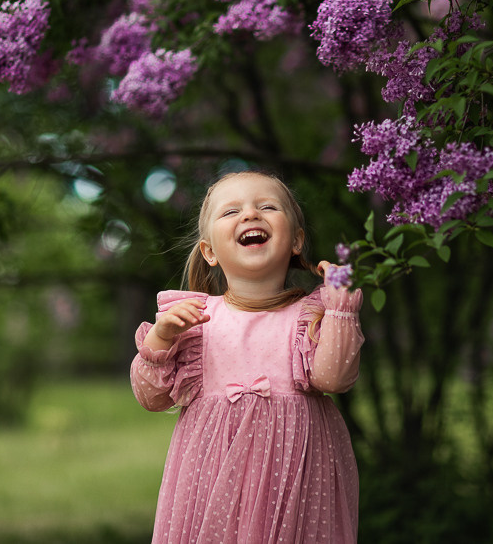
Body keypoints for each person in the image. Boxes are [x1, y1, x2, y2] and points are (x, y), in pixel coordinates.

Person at [130, 170, 365, 543]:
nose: (250, 215)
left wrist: (341, 306)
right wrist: (161, 337)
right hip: (211, 485)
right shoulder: (195, 319)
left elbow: (334, 378)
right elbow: (151, 397)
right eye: (231, 211)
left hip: (294, 485)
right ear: (209, 251)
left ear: (296, 242)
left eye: (267, 206)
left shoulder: (312, 316)